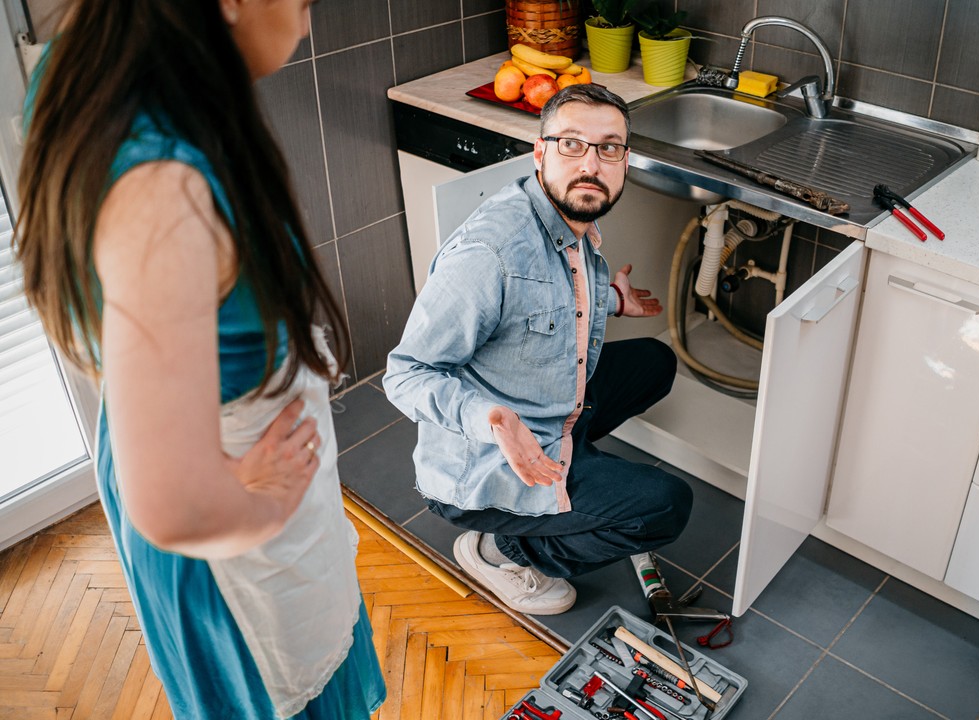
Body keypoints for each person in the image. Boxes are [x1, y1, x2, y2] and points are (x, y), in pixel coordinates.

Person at [15, 1, 385, 717]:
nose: (309, 24)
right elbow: (172, 506)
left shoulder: (90, 66)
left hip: (226, 489)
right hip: (235, 555)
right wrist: (269, 498)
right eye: (305, 3)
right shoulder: (160, 188)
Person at [383, 84, 693, 616]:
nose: (590, 163)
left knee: (654, 364)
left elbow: (544, 304)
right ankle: (507, 548)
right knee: (666, 506)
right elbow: (405, 374)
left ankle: (575, 465)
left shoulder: (570, 220)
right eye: (572, 144)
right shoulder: (492, 250)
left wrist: (610, 301)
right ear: (541, 151)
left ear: (624, 160)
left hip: (543, 417)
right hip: (485, 464)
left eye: (609, 147)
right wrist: (493, 419)